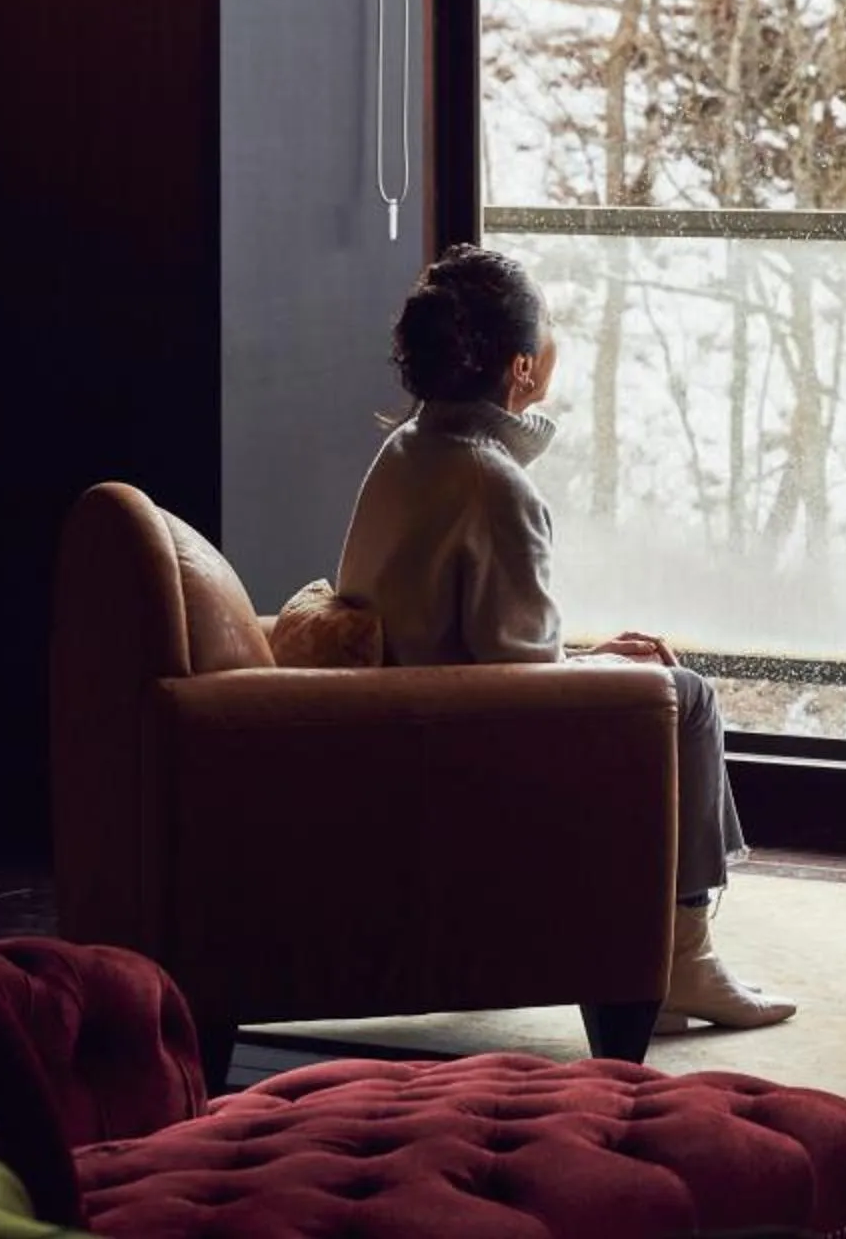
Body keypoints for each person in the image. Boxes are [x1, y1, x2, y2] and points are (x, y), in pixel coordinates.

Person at [333, 243, 794, 1032]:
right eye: (546, 331)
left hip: (407, 727)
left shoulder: (408, 449)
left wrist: (592, 658)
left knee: (647, 675)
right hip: (465, 753)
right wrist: (603, 668)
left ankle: (675, 955)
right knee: (688, 697)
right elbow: (525, 690)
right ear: (522, 369)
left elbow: (488, 645)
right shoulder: (491, 481)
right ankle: (685, 955)